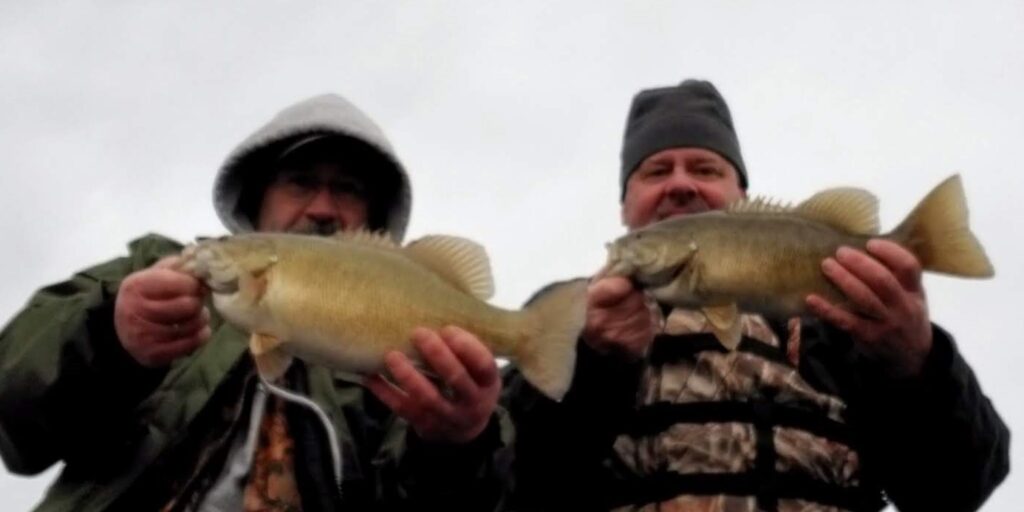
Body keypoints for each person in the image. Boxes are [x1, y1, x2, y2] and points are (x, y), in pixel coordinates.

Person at [502, 80, 1009, 511]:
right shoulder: (565, 318)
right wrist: (592, 364)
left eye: (705, 169)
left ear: (741, 197)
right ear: (624, 206)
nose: (680, 184)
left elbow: (957, 490)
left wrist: (916, 365)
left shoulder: (844, 327)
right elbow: (504, 487)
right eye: (657, 171)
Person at [0, 93, 511, 511]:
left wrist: (458, 447)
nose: (323, 209)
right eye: (301, 181)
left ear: (373, 218)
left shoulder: (408, 356)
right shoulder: (156, 270)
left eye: (348, 190)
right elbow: (14, 414)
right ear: (257, 200)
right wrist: (109, 336)